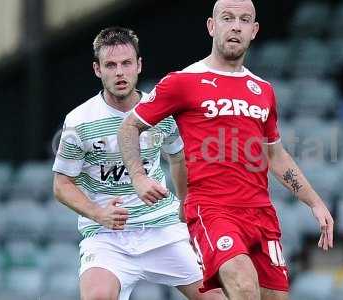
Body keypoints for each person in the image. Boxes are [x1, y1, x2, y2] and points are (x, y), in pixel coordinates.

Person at [118, 1, 334, 299]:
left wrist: (314, 202)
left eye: (244, 20)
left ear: (254, 30)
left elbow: (275, 154)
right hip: (212, 209)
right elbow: (129, 126)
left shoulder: (263, 90)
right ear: (211, 26)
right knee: (243, 284)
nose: (236, 26)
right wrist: (139, 177)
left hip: (261, 214)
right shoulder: (183, 81)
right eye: (228, 18)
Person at [52, 27, 223, 300]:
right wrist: (97, 213)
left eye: (126, 63)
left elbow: (178, 157)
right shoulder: (78, 121)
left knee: (217, 297)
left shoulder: (161, 111)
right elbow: (61, 185)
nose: (119, 72)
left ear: (139, 65)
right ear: (97, 69)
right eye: (110, 65)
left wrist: (185, 206)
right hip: (108, 236)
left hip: (163, 228)